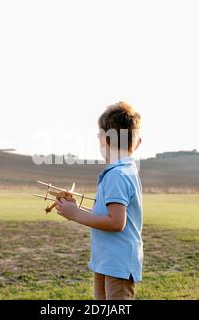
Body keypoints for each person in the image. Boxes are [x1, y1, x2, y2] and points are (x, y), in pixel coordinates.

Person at [55, 101, 143, 300]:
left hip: (117, 264)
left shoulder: (117, 175)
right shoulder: (122, 171)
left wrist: (76, 215)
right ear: (137, 143)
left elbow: (116, 222)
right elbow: (107, 215)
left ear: (103, 138)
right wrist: (75, 209)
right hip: (107, 261)